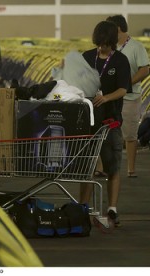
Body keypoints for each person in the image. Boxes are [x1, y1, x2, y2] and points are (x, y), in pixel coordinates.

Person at [80, 21, 132, 227]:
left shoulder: (120, 61)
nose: (101, 48)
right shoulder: (86, 57)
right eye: (99, 44)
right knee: (86, 168)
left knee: (113, 167)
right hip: (87, 122)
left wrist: (107, 98)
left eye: (105, 45)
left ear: (112, 43)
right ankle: (82, 207)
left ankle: (112, 208)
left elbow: (123, 89)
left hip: (110, 121)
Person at [106, 15, 150, 178]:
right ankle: (106, 167)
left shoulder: (136, 47)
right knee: (107, 132)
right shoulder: (109, 46)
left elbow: (145, 69)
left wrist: (127, 84)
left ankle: (131, 169)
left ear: (117, 29)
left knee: (130, 134)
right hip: (110, 96)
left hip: (130, 97)